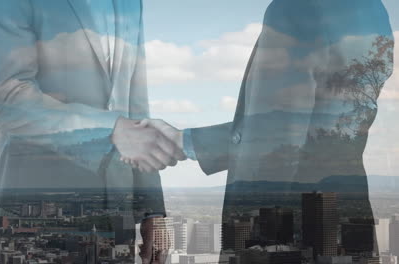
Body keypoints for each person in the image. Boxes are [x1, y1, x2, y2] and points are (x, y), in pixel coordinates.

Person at [127, 0, 394, 259]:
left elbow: (278, 139)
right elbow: (318, 126)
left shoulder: (294, 8)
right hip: (350, 216)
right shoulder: (372, 9)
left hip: (290, 231)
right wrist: (188, 142)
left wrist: (255, 245)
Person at [0, 0, 183, 263]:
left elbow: (137, 111)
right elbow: (8, 101)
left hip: (117, 220)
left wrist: (152, 209)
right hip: (37, 218)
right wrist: (112, 127)